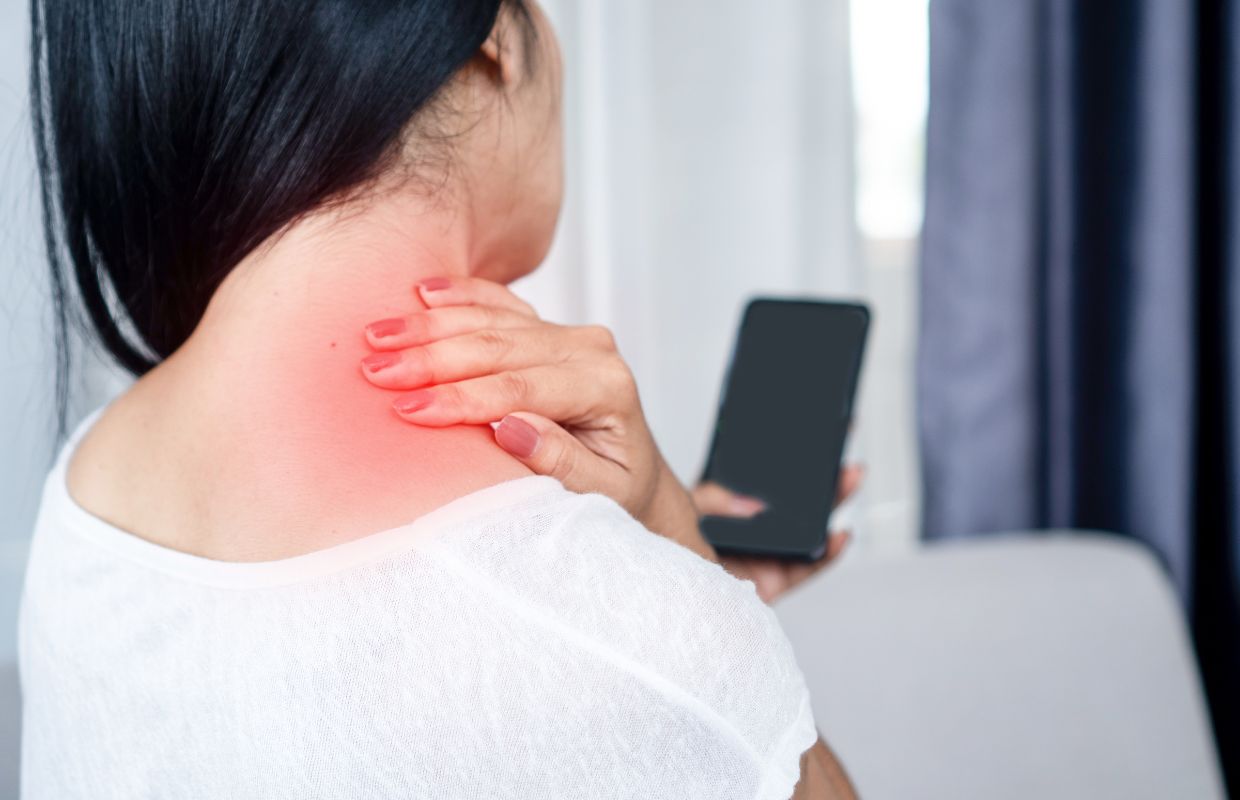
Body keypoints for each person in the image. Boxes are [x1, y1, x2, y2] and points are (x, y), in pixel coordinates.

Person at [20, 1, 858, 797]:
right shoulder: (622, 637)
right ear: (494, 30)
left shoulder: (85, 490)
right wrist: (685, 575)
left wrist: (668, 593)